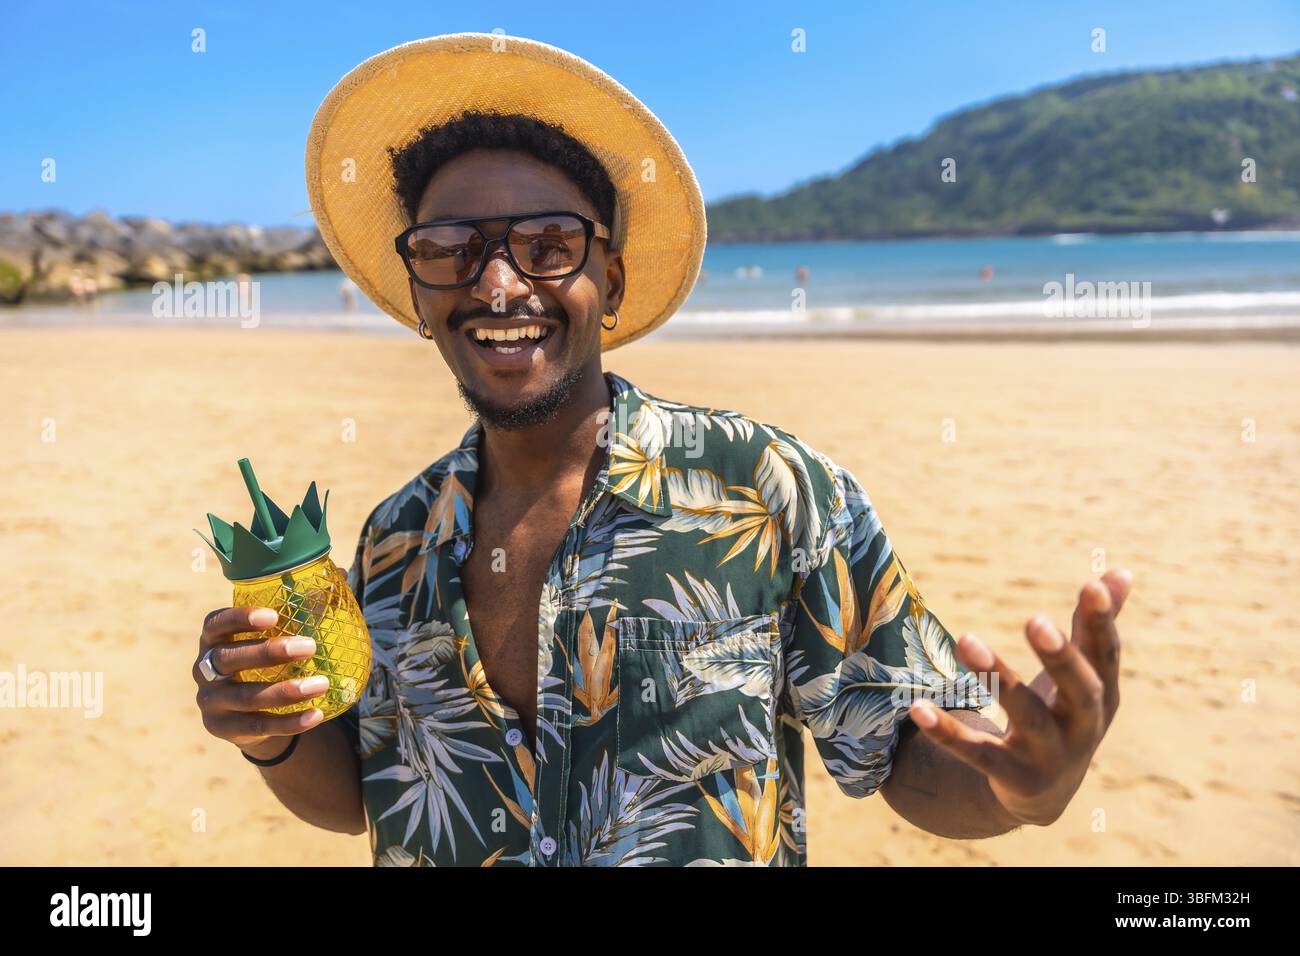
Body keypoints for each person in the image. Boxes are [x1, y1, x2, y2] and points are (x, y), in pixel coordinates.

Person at [193, 33, 1131, 867]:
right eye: (450, 248)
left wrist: (1023, 790)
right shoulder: (394, 540)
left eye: (547, 244)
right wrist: (270, 734)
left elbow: (907, 750)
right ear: (418, 287)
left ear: (611, 275)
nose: (497, 281)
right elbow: (364, 798)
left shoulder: (764, 488)